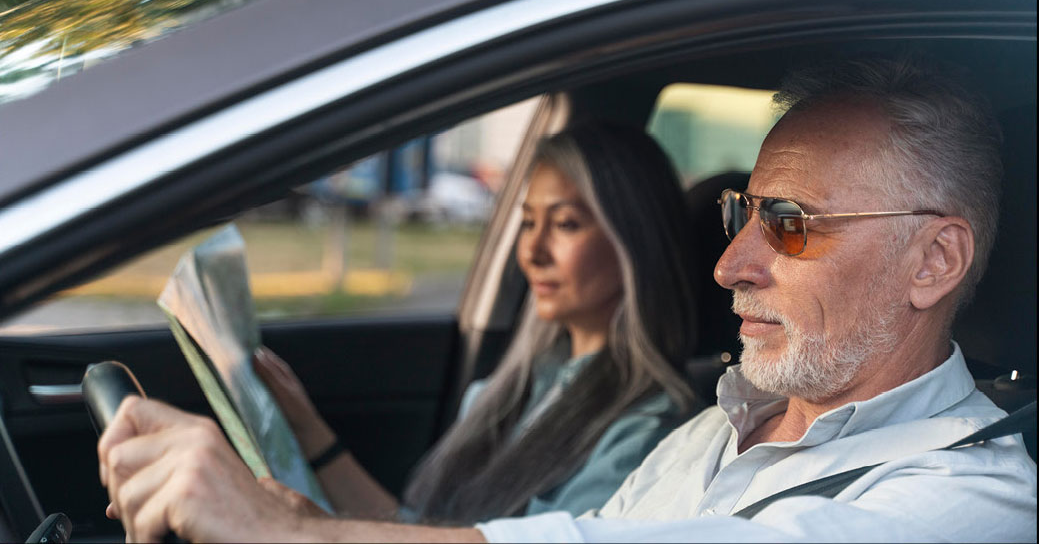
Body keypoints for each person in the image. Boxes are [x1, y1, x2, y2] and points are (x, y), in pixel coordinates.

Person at [97, 55, 1037, 543]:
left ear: (933, 260)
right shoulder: (717, 427)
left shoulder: (977, 502)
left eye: (788, 222)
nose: (730, 263)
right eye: (740, 213)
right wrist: (301, 521)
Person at [99, 120, 708, 531]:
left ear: (634, 242)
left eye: (567, 224)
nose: (533, 251)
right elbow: (416, 529)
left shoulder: (647, 433)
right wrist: (309, 433)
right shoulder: (517, 385)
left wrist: (300, 532)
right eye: (526, 222)